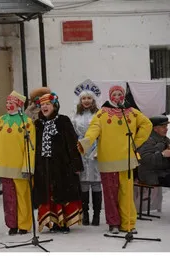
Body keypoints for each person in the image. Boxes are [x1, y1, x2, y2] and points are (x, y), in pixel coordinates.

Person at [78, 85, 152, 234]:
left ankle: (128, 223)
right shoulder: (102, 113)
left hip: (127, 159)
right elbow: (93, 129)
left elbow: (147, 124)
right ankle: (114, 223)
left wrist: (135, 143)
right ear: (110, 96)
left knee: (127, 193)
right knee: (110, 194)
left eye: (120, 94)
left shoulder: (131, 112)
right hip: (108, 159)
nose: (117, 97)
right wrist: (86, 142)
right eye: (115, 94)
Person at [33, 92, 83, 233]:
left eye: (47, 104)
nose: (44, 107)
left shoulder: (63, 121)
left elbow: (72, 143)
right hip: (44, 165)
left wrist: (76, 164)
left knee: (63, 192)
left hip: (62, 165)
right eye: (42, 105)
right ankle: (52, 222)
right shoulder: (37, 124)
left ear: (54, 106)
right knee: (47, 194)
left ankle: (64, 222)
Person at [0, 90, 35, 235]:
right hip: (4, 166)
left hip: (20, 166)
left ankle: (24, 225)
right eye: (7, 103)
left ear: (19, 105)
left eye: (12, 103)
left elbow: (30, 146)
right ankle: (12, 224)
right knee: (8, 198)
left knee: (22, 197)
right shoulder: (1, 120)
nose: (8, 105)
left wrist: (28, 165)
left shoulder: (27, 122)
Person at [71, 88, 102, 226]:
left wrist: (98, 148)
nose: (86, 101)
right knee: (83, 183)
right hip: (81, 150)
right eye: (84, 98)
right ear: (80, 100)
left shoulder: (99, 114)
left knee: (96, 182)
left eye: (89, 98)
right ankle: (85, 214)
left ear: (93, 100)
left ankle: (96, 215)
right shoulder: (75, 116)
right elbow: (72, 134)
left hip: (96, 150)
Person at [138, 115, 170, 187]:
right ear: (155, 129)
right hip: (151, 174)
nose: (166, 129)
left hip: (163, 172)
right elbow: (144, 159)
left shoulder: (165, 139)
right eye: (163, 127)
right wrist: (162, 154)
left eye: (166, 126)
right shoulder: (147, 140)